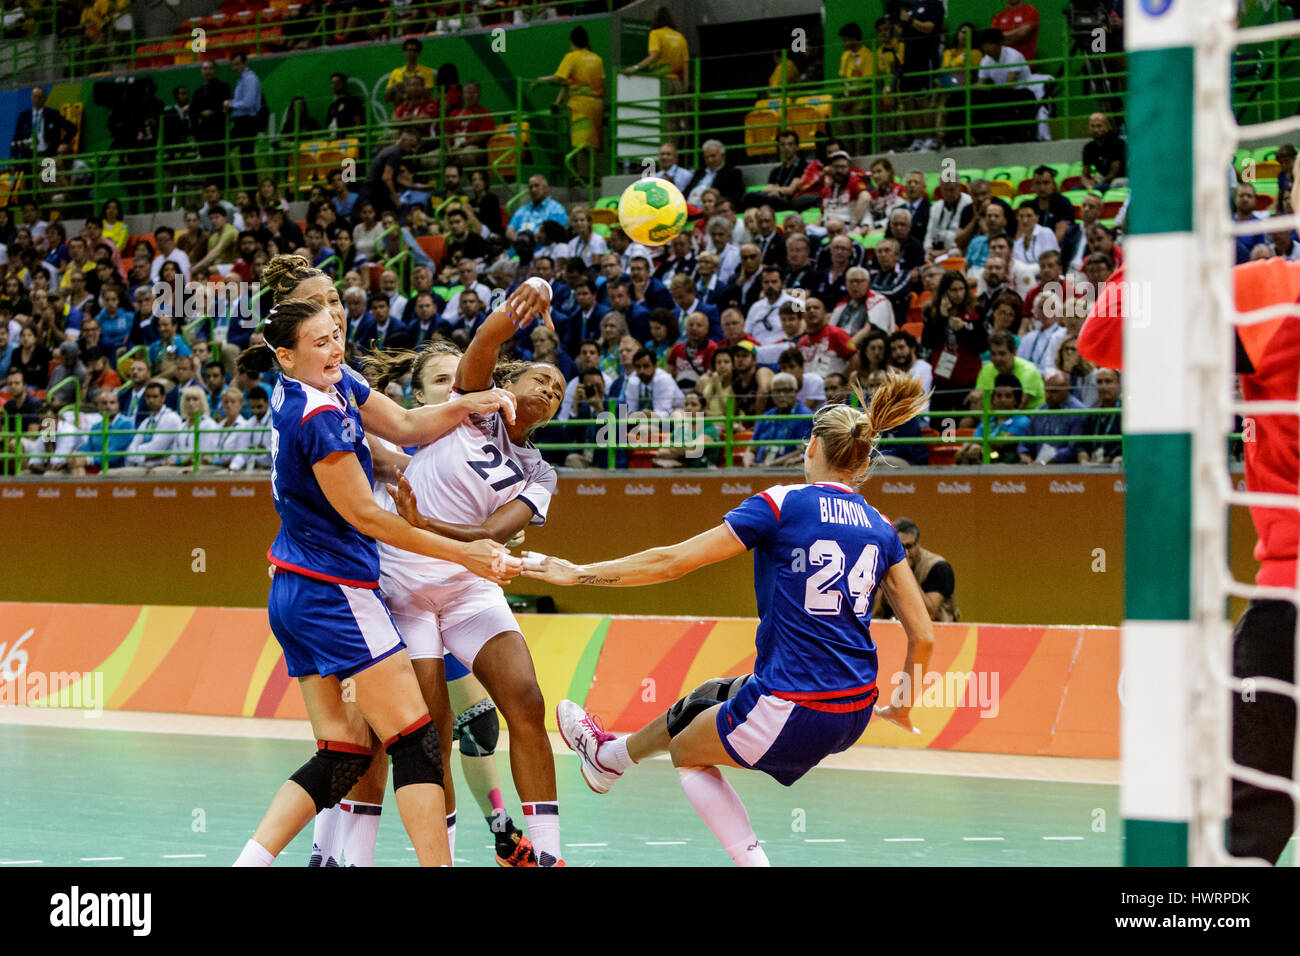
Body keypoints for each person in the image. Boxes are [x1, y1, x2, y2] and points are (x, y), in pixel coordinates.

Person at [526, 370, 935, 866]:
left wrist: (579, 574)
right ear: (864, 462)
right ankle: (608, 759)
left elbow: (670, 562)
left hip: (793, 704)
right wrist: (904, 706)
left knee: (688, 753)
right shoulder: (882, 526)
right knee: (713, 696)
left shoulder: (783, 504)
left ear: (811, 448)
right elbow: (924, 635)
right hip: (854, 711)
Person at [230, 282, 540, 868]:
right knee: (417, 740)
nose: (334, 348)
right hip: (336, 593)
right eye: (319, 342)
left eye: (337, 336)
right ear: (286, 356)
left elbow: (403, 425)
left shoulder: (322, 383)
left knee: (344, 750)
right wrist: (464, 554)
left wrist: (464, 405)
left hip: (293, 588)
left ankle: (252, 862)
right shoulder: (316, 415)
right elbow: (368, 515)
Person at [347, 283, 568, 868]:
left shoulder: (541, 473)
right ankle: (438, 856)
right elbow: (485, 340)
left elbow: (495, 532)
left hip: (467, 583)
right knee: (431, 732)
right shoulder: (468, 405)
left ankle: (546, 853)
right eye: (539, 378)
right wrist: (523, 302)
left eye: (559, 389)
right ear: (509, 384)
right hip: (404, 586)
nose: (548, 388)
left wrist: (436, 528)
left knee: (525, 699)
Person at [539, 27, 605, 179]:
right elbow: (602, 84)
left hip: (579, 106)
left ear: (572, 42)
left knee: (580, 143)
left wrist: (542, 80)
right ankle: (596, 176)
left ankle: (582, 177)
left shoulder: (572, 57)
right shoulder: (597, 59)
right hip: (597, 106)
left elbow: (559, 78)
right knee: (594, 144)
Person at [876, 518, 959, 621]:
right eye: (900, 547)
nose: (905, 553)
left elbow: (929, 613)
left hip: (941, 632)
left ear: (918, 544)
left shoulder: (939, 568)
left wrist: (905, 571)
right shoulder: (885, 563)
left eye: (909, 546)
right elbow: (874, 613)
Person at [626, 7, 690, 138]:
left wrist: (635, 67)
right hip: (677, 84)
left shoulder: (655, 34)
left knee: (662, 121)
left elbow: (654, 55)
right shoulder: (680, 37)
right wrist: (685, 87)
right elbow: (685, 65)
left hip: (662, 83)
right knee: (674, 122)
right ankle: (672, 153)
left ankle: (664, 154)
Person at [955, 372, 1030, 465]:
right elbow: (976, 438)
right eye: (999, 396)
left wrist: (977, 446)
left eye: (1008, 396)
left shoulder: (1022, 420)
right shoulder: (989, 420)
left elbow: (1001, 444)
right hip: (989, 458)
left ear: (1016, 400)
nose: (1003, 400)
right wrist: (964, 448)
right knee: (964, 454)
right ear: (993, 399)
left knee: (975, 451)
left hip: (1009, 463)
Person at [744, 372, 813, 467]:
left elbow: (803, 450)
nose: (781, 395)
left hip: (786, 470)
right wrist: (748, 464)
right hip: (759, 469)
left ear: (796, 392)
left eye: (786, 390)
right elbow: (751, 449)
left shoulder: (805, 416)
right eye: (777, 391)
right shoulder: (766, 417)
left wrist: (771, 465)